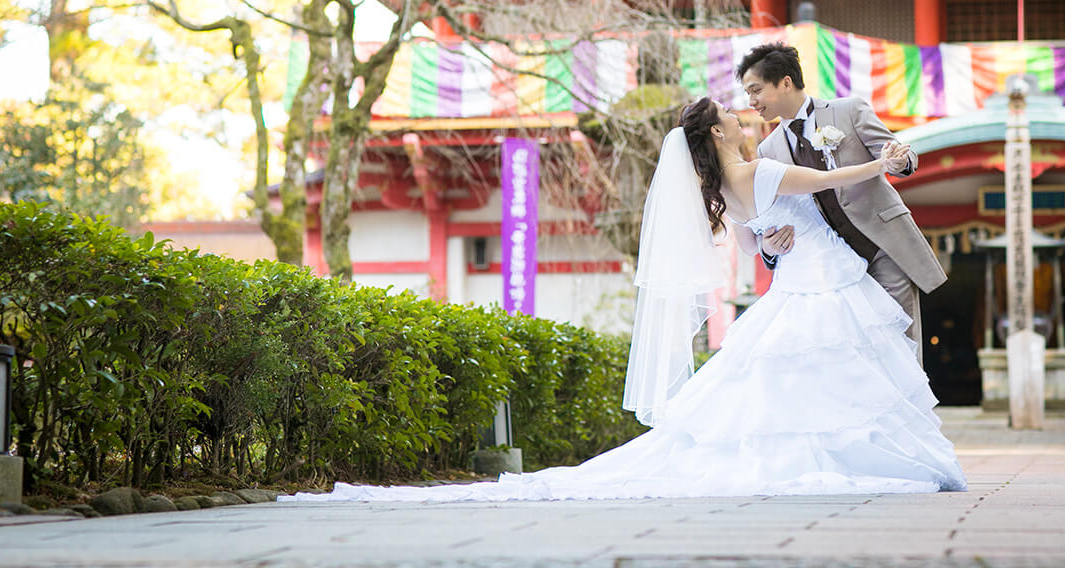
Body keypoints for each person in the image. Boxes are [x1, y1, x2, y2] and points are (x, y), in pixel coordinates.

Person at [280, 98, 965, 504]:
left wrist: (779, 239)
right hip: (823, 285)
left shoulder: (725, 187)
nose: (742, 114)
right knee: (829, 373)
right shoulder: (761, 169)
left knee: (791, 378)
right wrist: (885, 162)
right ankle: (842, 459)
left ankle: (833, 457)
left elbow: (773, 233)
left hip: (799, 279)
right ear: (721, 135)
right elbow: (833, 179)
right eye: (732, 114)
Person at [737, 43, 946, 365]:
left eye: (756, 90)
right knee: (857, 355)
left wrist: (900, 160)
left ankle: (913, 412)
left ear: (785, 82)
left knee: (900, 344)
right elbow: (775, 216)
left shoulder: (848, 111)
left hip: (883, 246)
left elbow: (894, 150)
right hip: (834, 268)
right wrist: (768, 248)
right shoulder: (769, 150)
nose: (750, 102)